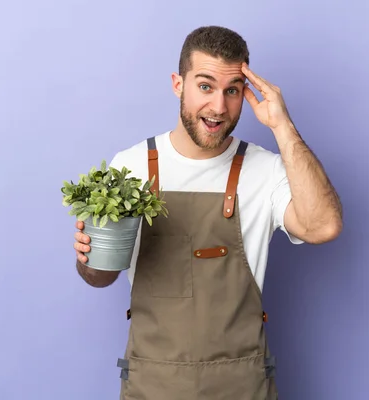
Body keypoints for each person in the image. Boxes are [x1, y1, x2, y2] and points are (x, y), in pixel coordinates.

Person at [72, 25, 342, 400]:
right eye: (205, 86)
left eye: (232, 90)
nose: (218, 107)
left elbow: (324, 226)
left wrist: (283, 127)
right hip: (152, 385)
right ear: (177, 84)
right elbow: (99, 277)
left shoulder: (265, 169)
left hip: (242, 386)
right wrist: (89, 256)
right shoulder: (130, 167)